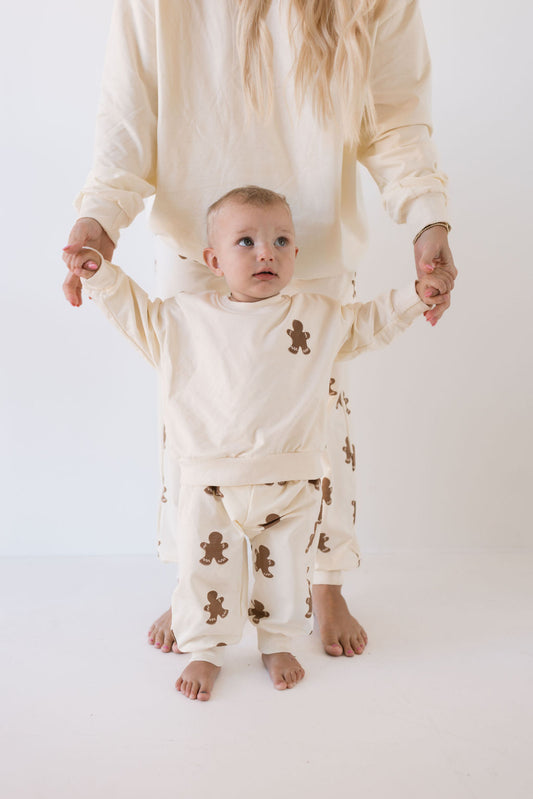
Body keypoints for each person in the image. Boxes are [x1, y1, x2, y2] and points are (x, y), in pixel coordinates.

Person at [62, 0, 457, 660]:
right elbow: (130, 112)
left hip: (309, 247)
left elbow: (395, 117)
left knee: (319, 426)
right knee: (195, 422)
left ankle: (324, 580)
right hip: (198, 241)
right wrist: (100, 217)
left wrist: (427, 219)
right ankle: (199, 584)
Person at [65, 185, 443, 700]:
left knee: (286, 574)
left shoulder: (317, 315)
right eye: (246, 241)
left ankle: (276, 641)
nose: (267, 252)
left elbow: (369, 323)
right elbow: (136, 312)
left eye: (282, 241)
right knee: (204, 571)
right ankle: (204, 650)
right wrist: (101, 274)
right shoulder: (185, 318)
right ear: (212, 259)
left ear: (295, 255)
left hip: (290, 482)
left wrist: (412, 297)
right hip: (211, 484)